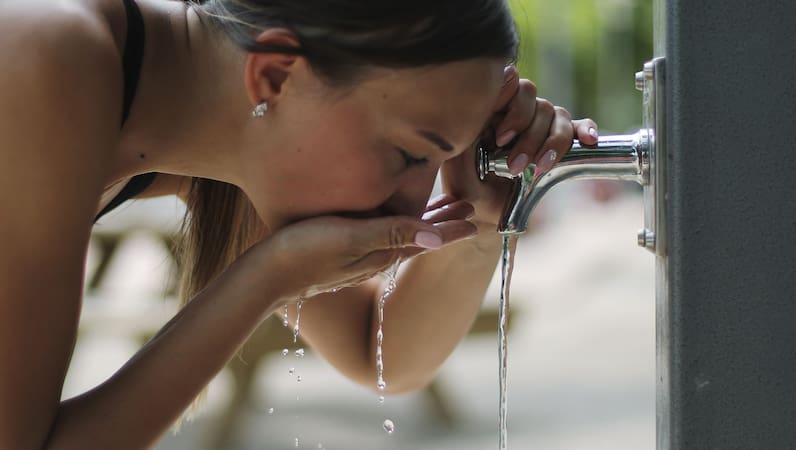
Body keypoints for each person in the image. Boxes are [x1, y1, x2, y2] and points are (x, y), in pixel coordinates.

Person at [0, 0, 598, 448]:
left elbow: (381, 353)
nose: (414, 207)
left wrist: (484, 218)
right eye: (412, 155)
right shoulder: (53, 56)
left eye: (441, 161)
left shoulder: (227, 144)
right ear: (275, 76)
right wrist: (266, 278)